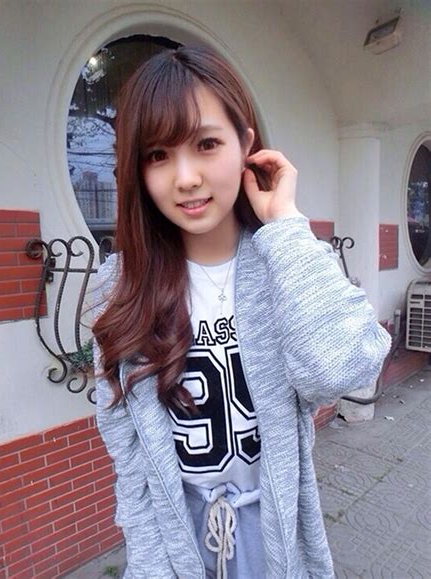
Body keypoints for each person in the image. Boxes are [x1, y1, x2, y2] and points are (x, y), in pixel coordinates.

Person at [90, 45, 391, 579]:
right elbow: (131, 466)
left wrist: (286, 225)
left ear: (246, 145)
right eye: (158, 155)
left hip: (273, 539)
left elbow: (345, 370)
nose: (186, 177)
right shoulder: (121, 288)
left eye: (206, 144)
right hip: (179, 543)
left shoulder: (287, 263)